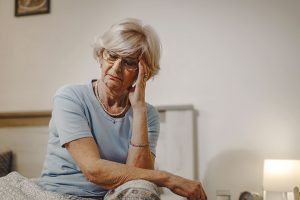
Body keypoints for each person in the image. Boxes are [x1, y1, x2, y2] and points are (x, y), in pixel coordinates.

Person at [38, 18, 207, 200]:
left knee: (142, 190)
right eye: (112, 55)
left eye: (129, 62)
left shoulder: (148, 115)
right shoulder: (70, 97)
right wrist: (168, 178)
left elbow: (138, 182)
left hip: (112, 196)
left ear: (144, 73)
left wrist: (139, 108)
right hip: (59, 194)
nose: (117, 68)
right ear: (100, 55)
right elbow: (93, 170)